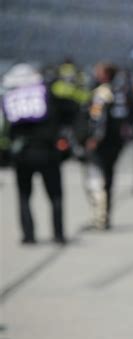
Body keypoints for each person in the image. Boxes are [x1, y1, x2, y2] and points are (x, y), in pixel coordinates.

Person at [2, 64, 66, 244]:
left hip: (22, 154)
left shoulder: (10, 97)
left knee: (24, 196)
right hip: (47, 152)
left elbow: (5, 127)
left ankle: (28, 236)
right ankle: (58, 234)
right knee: (55, 195)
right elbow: (64, 114)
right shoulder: (47, 93)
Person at [84, 62, 133, 230]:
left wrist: (94, 138)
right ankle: (105, 215)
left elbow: (98, 117)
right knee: (109, 179)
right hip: (116, 141)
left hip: (102, 143)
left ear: (105, 74)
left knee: (96, 179)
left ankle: (99, 217)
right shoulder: (119, 92)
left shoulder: (102, 93)